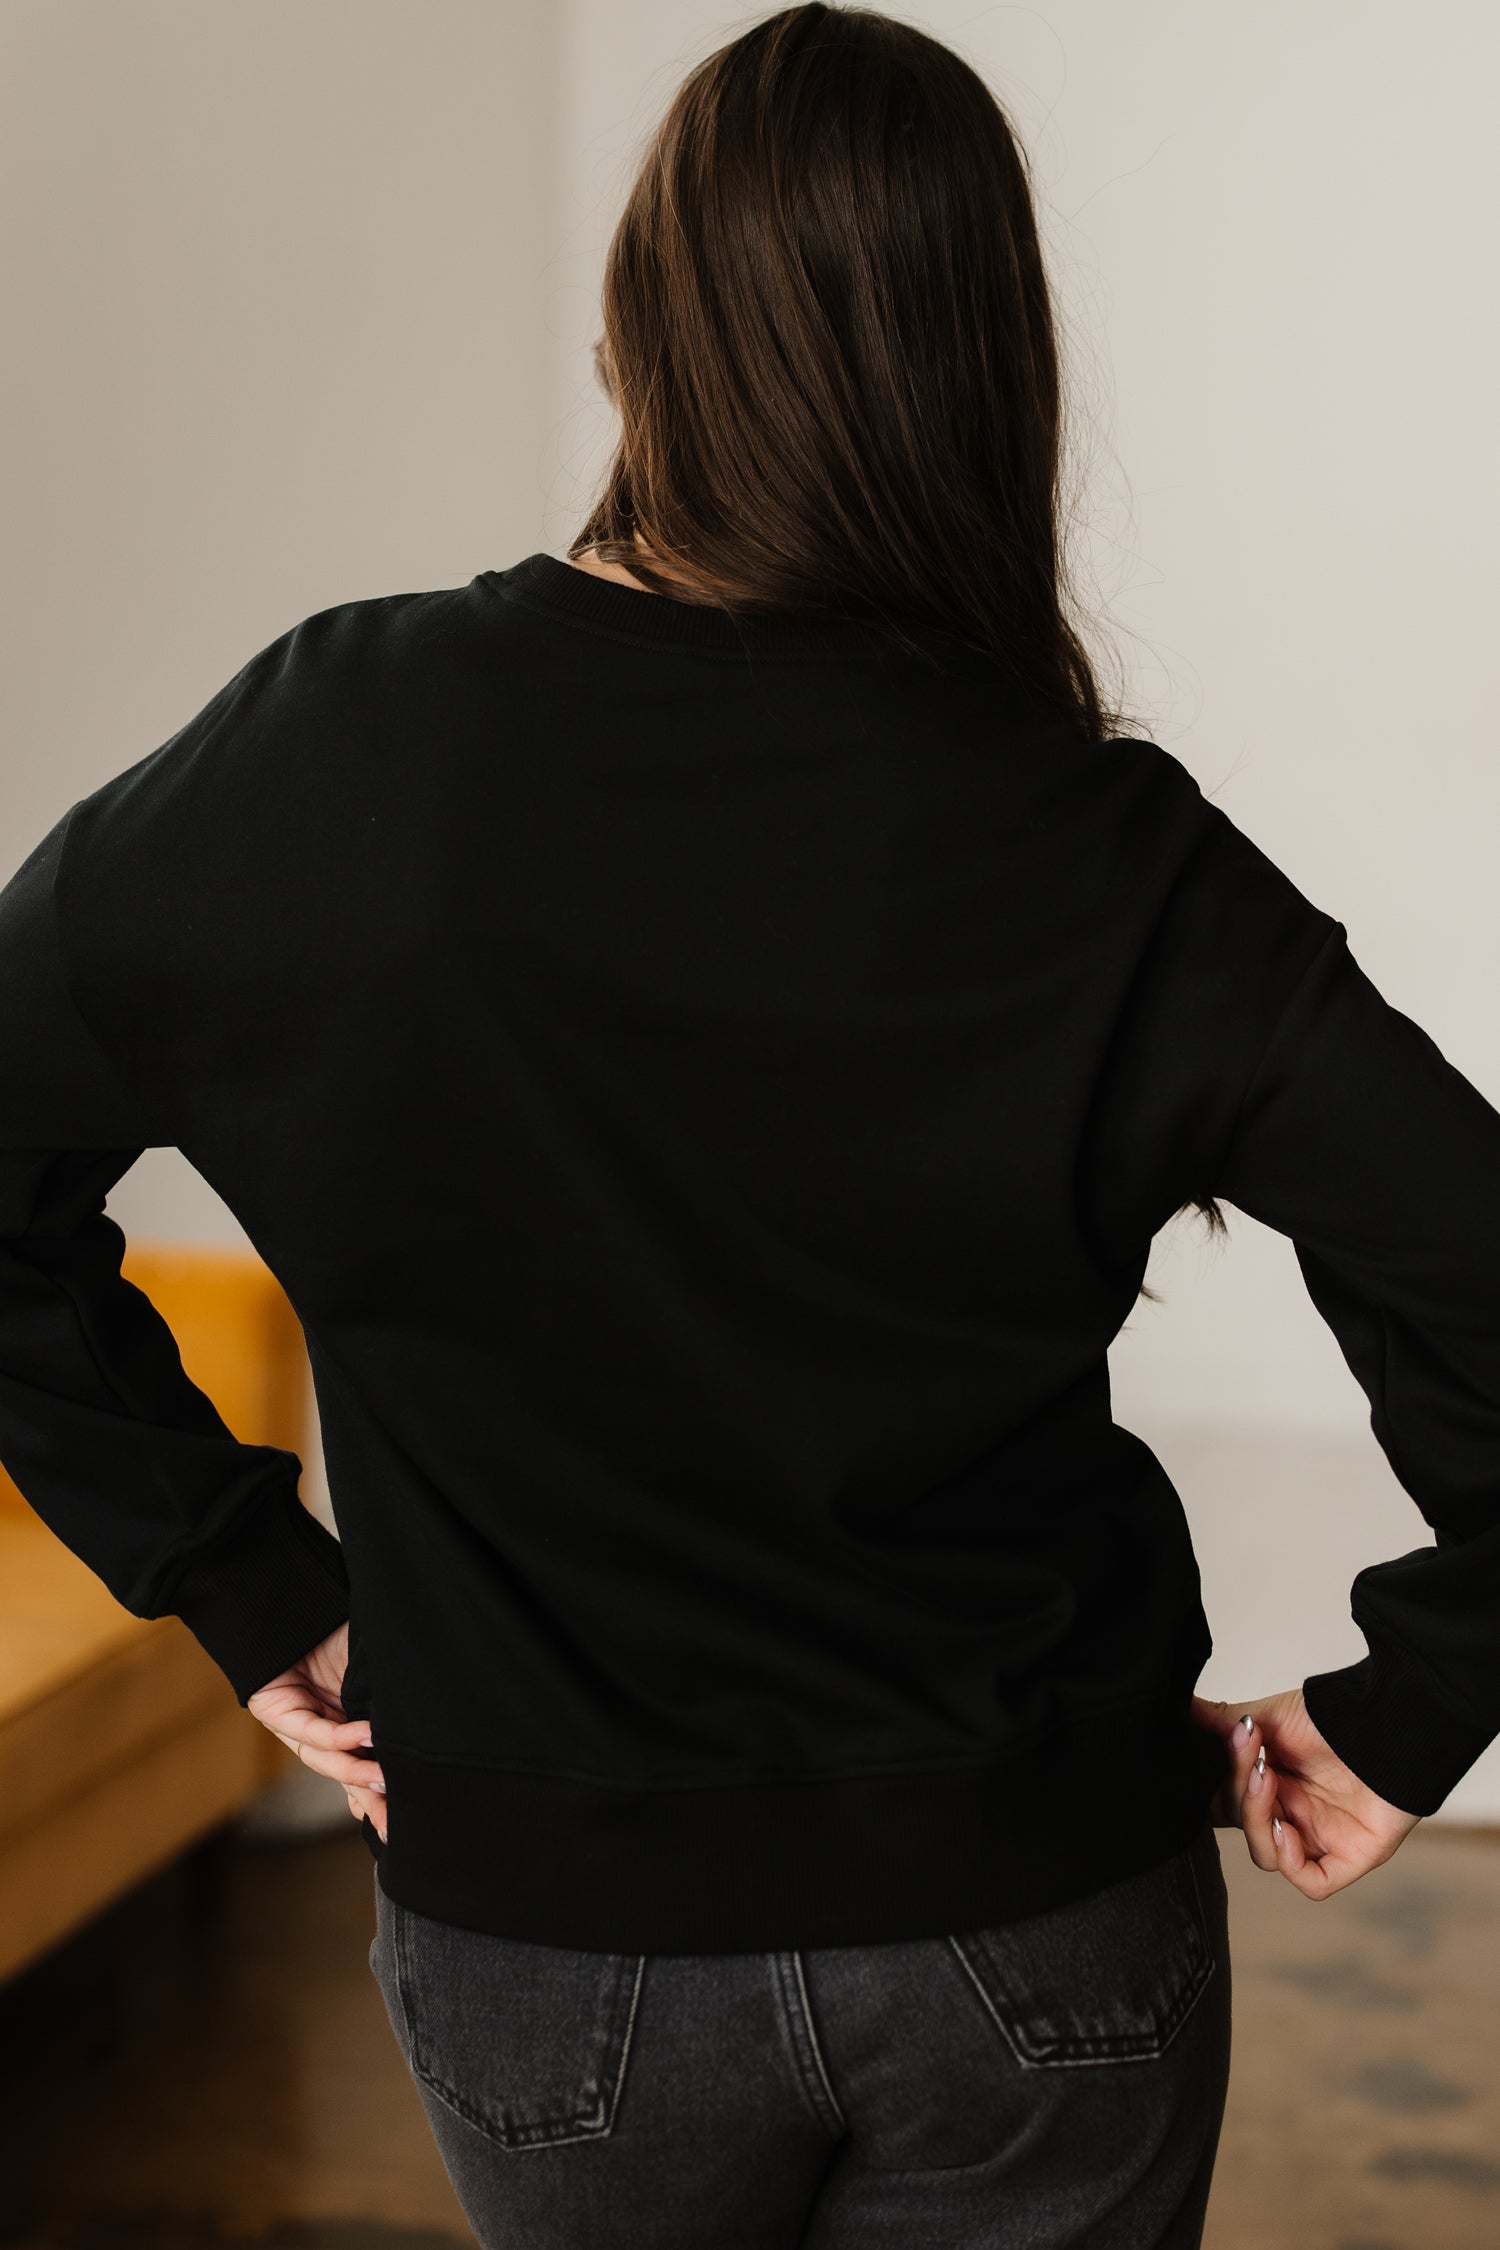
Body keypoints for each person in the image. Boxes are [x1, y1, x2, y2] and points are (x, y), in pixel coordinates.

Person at [0, 5, 1494, 2245]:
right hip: (1037, 1922)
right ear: (987, 378)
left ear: (631, 347)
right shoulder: (1103, 849)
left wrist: (234, 1570)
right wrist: (1423, 1698)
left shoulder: (340, 752)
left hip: (550, 1944)